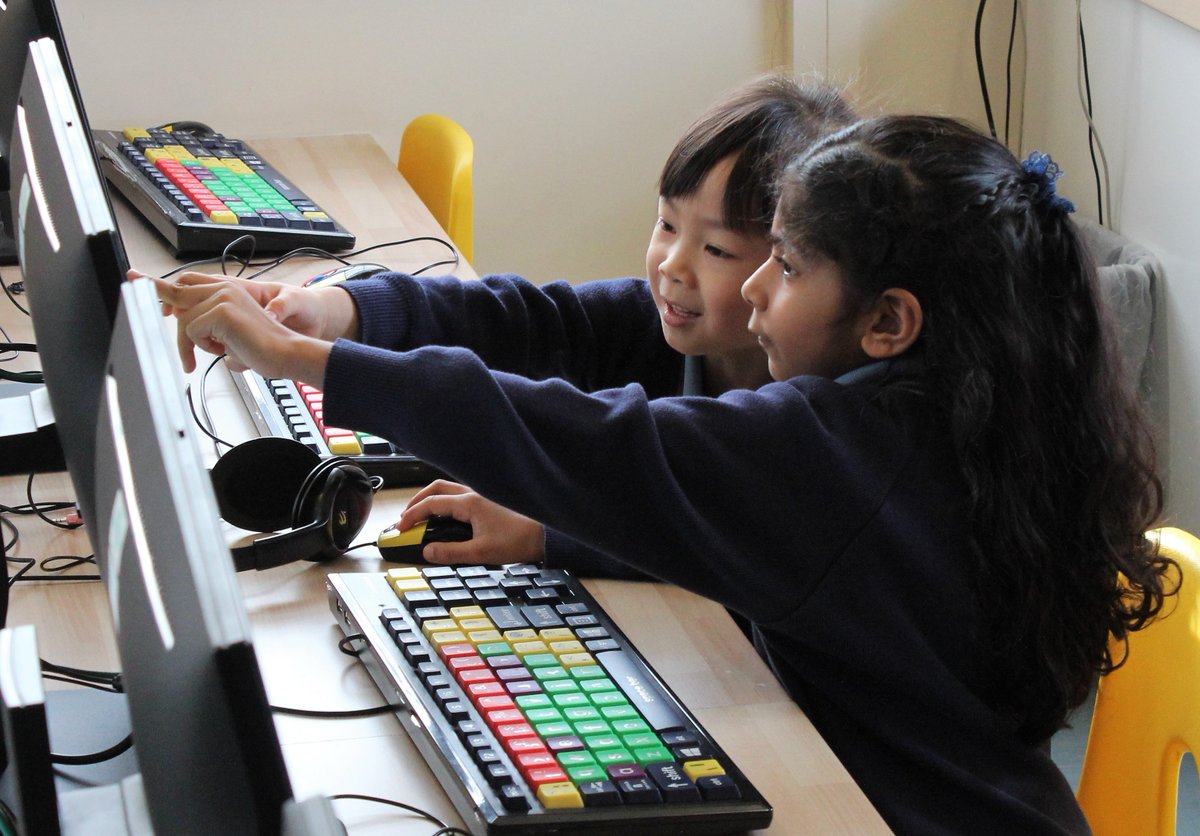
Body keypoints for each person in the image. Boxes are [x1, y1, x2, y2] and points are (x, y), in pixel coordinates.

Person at [151, 114, 1174, 833]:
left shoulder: (833, 446)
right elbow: (774, 536)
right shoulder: (951, 420)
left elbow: (612, 447)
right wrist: (561, 535)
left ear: (888, 320)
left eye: (785, 264)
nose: (759, 289)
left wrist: (313, 363)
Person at [156, 73, 856, 569]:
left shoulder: (820, 424)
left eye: (717, 249)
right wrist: (333, 312)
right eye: (666, 224)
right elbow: (515, 320)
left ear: (795, 261)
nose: (673, 265)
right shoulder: (662, 321)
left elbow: (721, 527)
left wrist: (555, 535)